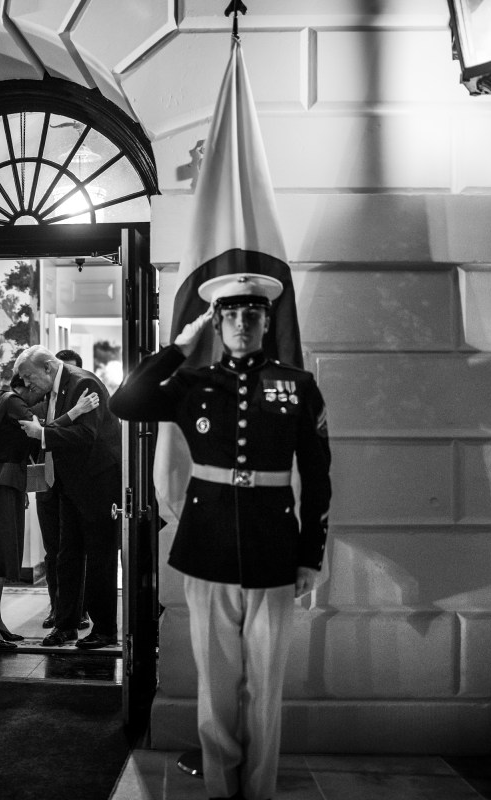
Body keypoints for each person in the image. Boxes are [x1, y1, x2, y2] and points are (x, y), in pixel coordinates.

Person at [109, 273, 332, 800]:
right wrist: (177, 347)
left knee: (266, 685)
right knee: (216, 687)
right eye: (228, 314)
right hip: (205, 547)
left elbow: (319, 476)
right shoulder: (195, 382)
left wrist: (311, 556)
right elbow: (125, 402)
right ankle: (219, 789)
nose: (239, 324)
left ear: (266, 320)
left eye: (250, 314)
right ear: (216, 321)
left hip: (275, 547)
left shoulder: (297, 385)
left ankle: (259, 789)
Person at [0, 374, 98, 650]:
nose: (40, 399)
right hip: (0, 484)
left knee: (6, 553)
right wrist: (76, 412)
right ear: (26, 384)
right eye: (38, 393)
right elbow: (41, 430)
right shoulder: (12, 400)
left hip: (8, 482)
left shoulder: (7, 400)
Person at [15, 346, 121, 649]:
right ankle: (65, 626)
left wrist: (42, 435)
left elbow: (88, 436)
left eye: (28, 376)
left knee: (99, 559)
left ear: (48, 367)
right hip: (69, 485)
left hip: (96, 486)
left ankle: (104, 630)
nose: (27, 383)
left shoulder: (83, 383)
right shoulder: (58, 388)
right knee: (66, 557)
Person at [36, 349, 91, 631]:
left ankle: (78, 610)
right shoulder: (40, 399)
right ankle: (56, 609)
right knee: (52, 551)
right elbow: (35, 436)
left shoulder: (83, 398)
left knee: (73, 551)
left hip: (72, 486)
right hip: (46, 485)